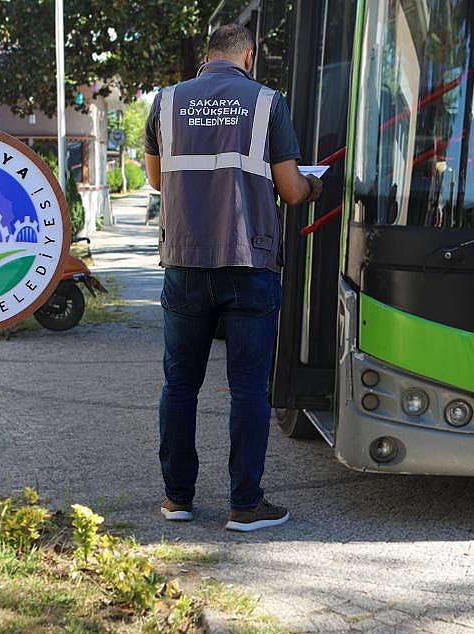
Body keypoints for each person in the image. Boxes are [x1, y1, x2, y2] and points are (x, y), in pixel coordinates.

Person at [144, 23, 323, 532]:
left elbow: (156, 181)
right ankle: (245, 505)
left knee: (180, 384)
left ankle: (178, 499)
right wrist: (312, 186)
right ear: (249, 56)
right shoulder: (267, 101)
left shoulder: (165, 102)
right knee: (247, 387)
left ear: (208, 56)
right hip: (249, 261)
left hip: (184, 260)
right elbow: (291, 191)